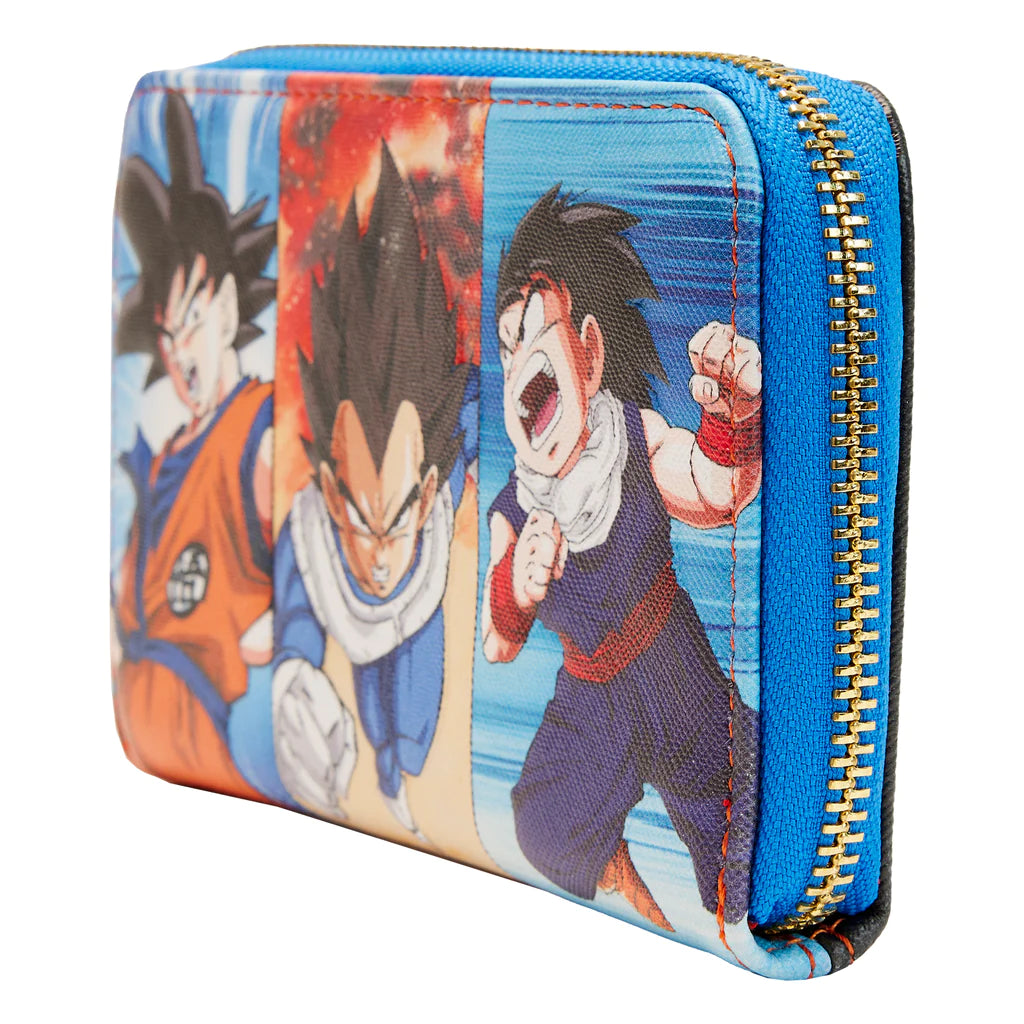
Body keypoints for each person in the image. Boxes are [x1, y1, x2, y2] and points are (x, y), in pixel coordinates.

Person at [482, 187, 762, 929]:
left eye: (534, 337)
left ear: (591, 351)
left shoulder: (635, 440)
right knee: (542, 823)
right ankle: (625, 882)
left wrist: (729, 419)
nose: (519, 365)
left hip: (674, 667)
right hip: (589, 692)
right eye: (507, 351)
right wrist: (516, 586)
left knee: (742, 826)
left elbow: (716, 492)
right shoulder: (515, 505)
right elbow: (497, 642)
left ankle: (727, 917)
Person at [273, 143, 479, 834]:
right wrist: (295, 678)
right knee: (376, 725)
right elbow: (296, 607)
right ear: (332, 496)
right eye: (363, 522)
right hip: (346, 678)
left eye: (397, 519)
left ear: (428, 492)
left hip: (423, 638)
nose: (382, 553)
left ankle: (400, 781)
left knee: (411, 725)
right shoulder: (312, 531)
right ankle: (389, 784)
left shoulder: (445, 466)